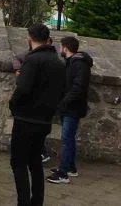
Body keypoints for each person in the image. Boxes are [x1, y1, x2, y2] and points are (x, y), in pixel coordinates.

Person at [9, 24, 66, 206]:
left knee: (18, 162)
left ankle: (24, 202)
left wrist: (13, 104)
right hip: (44, 119)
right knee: (34, 161)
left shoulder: (33, 60)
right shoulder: (58, 62)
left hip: (26, 118)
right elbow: (61, 91)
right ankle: (37, 201)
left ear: (29, 37)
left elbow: (23, 89)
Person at [47, 36, 93, 185]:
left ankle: (63, 174)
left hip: (72, 108)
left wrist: (63, 103)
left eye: (61, 47)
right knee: (69, 138)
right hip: (69, 107)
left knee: (66, 139)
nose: (60, 49)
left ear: (65, 48)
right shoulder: (71, 62)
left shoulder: (79, 64)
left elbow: (78, 88)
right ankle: (70, 167)